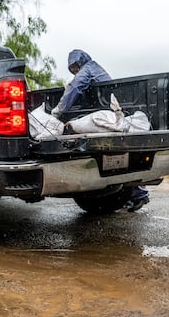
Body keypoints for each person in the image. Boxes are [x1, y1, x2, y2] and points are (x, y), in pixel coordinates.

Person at [51, 49, 150, 211]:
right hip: (111, 113)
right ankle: (139, 194)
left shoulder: (88, 69)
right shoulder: (94, 69)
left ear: (81, 61)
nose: (75, 70)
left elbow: (74, 89)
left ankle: (139, 194)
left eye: (76, 66)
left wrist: (58, 110)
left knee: (118, 160)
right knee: (123, 158)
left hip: (108, 115)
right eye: (72, 69)